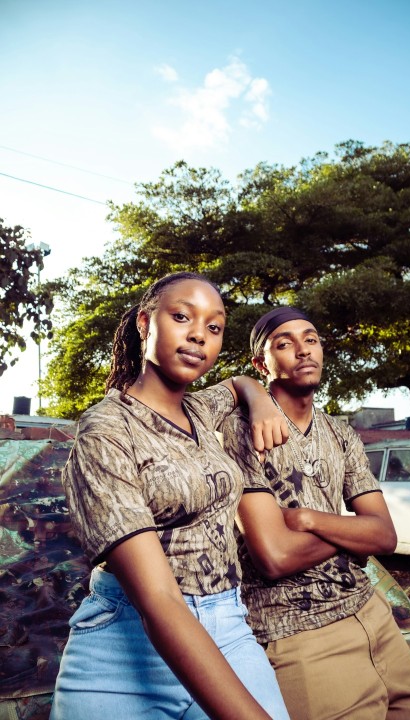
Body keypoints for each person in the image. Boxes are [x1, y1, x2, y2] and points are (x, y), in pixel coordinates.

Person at [50, 273, 291, 720]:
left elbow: (240, 383)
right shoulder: (105, 430)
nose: (199, 334)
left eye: (214, 327)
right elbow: (158, 599)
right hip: (122, 649)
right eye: (182, 317)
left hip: (228, 630)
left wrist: (260, 401)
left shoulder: (201, 409)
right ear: (145, 322)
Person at [222, 307, 410, 720]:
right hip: (298, 632)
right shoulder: (240, 431)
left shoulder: (341, 433)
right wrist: (352, 531)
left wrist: (308, 519)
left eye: (311, 339)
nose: (303, 351)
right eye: (284, 344)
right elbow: (275, 557)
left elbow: (384, 537)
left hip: (370, 613)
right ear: (261, 364)